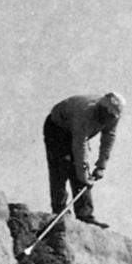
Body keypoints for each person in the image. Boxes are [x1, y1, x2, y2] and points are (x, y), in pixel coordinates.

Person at [43, 92, 123, 229]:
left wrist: (101, 165)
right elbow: (80, 146)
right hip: (58, 128)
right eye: (107, 115)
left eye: (112, 117)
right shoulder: (85, 112)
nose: (108, 120)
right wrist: (84, 177)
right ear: (103, 109)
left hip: (77, 133)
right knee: (62, 165)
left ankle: (85, 214)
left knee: (80, 171)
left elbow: (109, 137)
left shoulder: (114, 116)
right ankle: (59, 211)